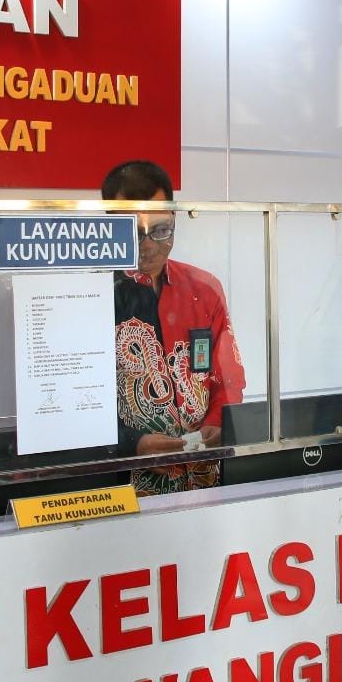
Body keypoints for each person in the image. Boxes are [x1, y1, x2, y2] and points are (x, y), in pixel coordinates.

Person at [102, 160, 245, 495]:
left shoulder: (204, 289)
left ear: (175, 220)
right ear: (109, 225)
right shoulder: (90, 295)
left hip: (207, 479)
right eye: (134, 232)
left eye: (161, 230)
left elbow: (229, 377)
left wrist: (218, 421)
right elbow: (75, 405)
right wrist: (131, 443)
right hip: (126, 486)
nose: (148, 244)